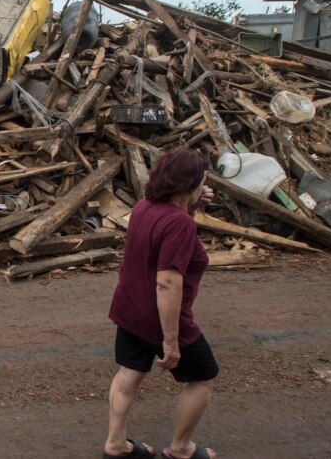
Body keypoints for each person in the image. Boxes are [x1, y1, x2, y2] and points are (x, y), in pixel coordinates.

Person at [102, 148, 218, 459]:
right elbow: (167, 281)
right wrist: (171, 340)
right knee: (202, 379)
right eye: (202, 182)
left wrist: (192, 205)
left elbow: (165, 234)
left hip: (130, 308)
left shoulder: (143, 207)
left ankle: (116, 444)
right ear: (188, 185)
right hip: (162, 318)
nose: (205, 187)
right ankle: (181, 448)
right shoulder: (179, 223)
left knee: (128, 374)